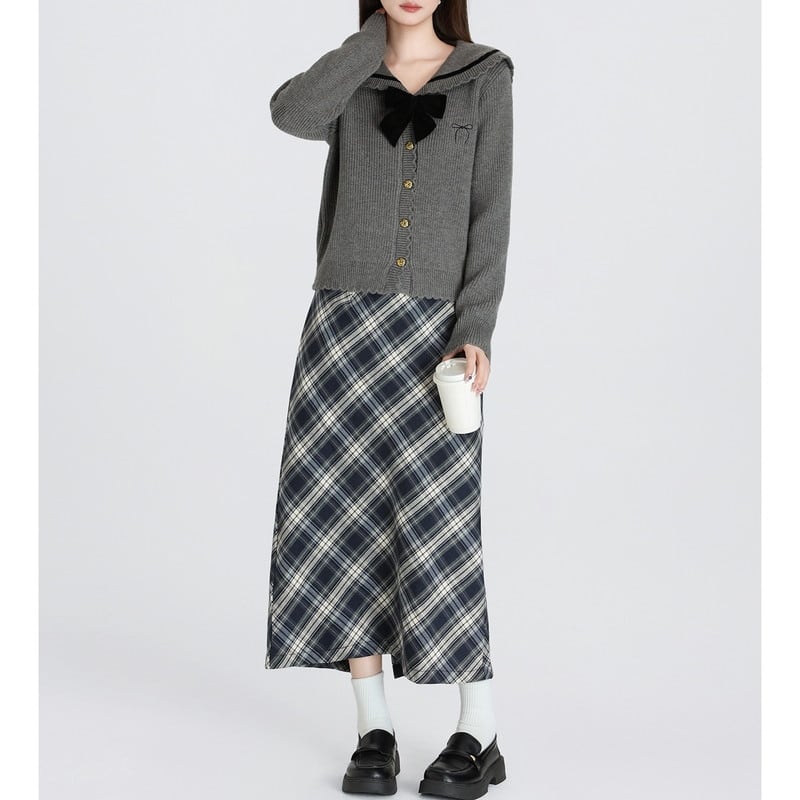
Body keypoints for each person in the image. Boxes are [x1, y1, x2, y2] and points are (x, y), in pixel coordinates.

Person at [264, 1, 514, 797]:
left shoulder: (485, 77)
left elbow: (491, 211)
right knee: (341, 520)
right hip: (342, 328)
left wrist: (475, 326)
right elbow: (290, 114)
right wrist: (371, 39)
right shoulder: (352, 76)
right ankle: (373, 727)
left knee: (442, 526)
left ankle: (480, 728)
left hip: (436, 340)